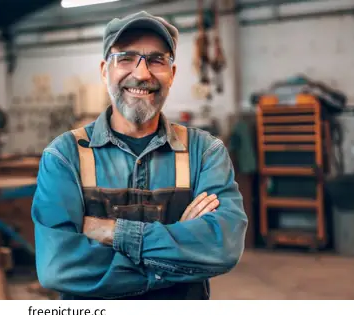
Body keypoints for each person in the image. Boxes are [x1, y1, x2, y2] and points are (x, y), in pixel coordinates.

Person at [31, 11, 248, 300]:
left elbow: (222, 249)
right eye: (126, 58)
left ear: (172, 74)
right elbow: (57, 267)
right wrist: (176, 255)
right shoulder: (64, 156)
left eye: (157, 60)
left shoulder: (205, 153)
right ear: (104, 70)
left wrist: (115, 233)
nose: (142, 73)